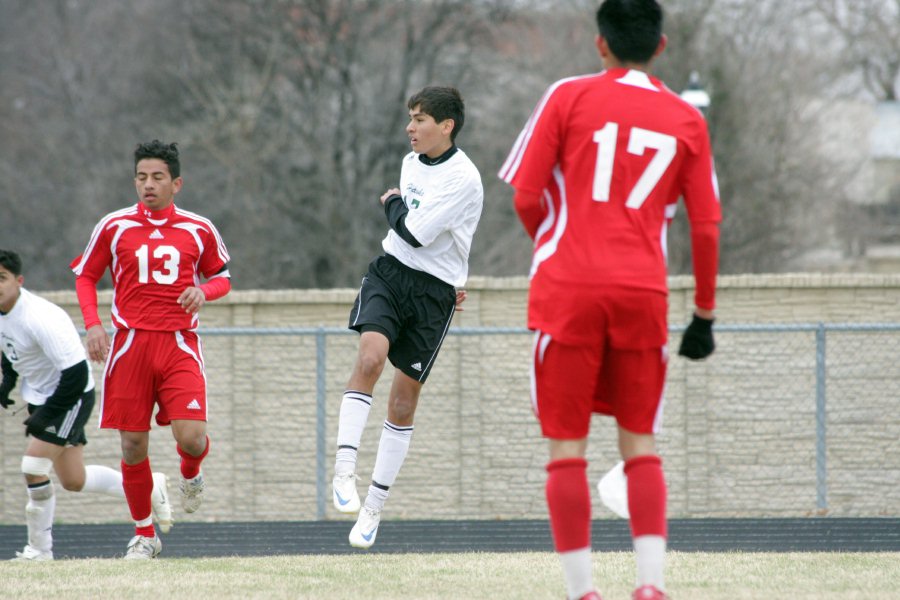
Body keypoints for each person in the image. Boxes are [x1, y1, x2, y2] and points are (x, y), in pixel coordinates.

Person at [498, 1, 721, 598]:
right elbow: (705, 226)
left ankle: (584, 592)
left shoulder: (567, 96)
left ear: (600, 43)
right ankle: (650, 586)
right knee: (640, 443)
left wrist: (555, 249)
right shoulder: (686, 119)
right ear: (661, 46)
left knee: (566, 448)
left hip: (569, 288)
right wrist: (704, 313)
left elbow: (525, 196)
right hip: (642, 291)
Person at [331, 86, 483, 549]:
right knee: (370, 359)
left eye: (419, 119)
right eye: (410, 118)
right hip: (391, 274)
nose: (409, 127)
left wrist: (391, 202)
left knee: (401, 403)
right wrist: (397, 206)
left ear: (446, 126)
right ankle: (343, 471)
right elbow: (408, 238)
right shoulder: (410, 162)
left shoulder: (464, 177)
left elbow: (415, 231)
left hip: (434, 295)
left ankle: (374, 507)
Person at [70, 140, 232, 559]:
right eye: (141, 177)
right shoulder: (114, 225)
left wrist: (204, 291)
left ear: (176, 183)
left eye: (158, 177)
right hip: (130, 346)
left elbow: (222, 277)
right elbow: (86, 276)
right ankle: (145, 534)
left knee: (192, 438)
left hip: (178, 344)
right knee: (132, 446)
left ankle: (191, 473)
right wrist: (93, 325)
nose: (148, 184)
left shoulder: (198, 228)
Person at [0, 249, 172, 561]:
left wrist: (47, 416)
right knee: (73, 480)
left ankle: (39, 552)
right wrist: (7, 383)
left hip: (72, 396)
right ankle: (149, 488)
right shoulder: (5, 313)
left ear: (19, 281)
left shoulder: (39, 317)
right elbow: (10, 346)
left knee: (33, 467)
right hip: (43, 398)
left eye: (2, 278)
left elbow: (76, 376)